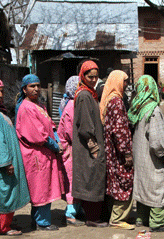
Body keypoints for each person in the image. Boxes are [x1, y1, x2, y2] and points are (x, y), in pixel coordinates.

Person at [15, 74, 67, 231]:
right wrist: (54, 145)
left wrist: (57, 138)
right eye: (32, 86)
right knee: (40, 188)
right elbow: (38, 134)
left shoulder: (39, 105)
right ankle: (42, 222)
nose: (36, 89)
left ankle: (39, 219)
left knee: (45, 187)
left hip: (45, 154)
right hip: (36, 155)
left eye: (38, 85)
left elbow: (50, 125)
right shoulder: (26, 108)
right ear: (24, 89)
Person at [0, 77, 29, 236]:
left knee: (10, 191)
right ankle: (3, 227)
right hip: (3, 162)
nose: (0, 95)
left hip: (9, 159)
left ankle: (6, 223)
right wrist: (6, 162)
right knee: (5, 192)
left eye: (2, 91)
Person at [128, 75, 164, 232]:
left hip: (140, 157)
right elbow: (157, 140)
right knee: (159, 187)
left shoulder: (136, 107)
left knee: (143, 186)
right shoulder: (153, 110)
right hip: (153, 158)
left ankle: (141, 218)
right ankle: (156, 222)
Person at [72, 60, 107, 227]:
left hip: (91, 144)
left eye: (96, 77)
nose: (93, 80)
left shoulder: (89, 93)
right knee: (92, 178)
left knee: (92, 177)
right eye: (89, 76)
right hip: (89, 145)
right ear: (82, 76)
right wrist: (94, 147)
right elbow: (85, 125)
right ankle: (92, 218)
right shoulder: (85, 96)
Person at [100, 70, 134, 229]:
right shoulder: (117, 102)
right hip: (119, 152)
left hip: (112, 151)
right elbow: (119, 130)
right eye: (124, 81)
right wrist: (126, 152)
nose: (126, 85)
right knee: (123, 181)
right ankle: (118, 219)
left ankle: (112, 215)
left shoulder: (109, 100)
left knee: (114, 181)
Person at [57, 75, 84, 226]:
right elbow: (71, 131)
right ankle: (70, 213)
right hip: (70, 150)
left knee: (76, 180)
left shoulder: (72, 103)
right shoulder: (71, 105)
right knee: (72, 181)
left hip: (74, 149)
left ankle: (77, 208)